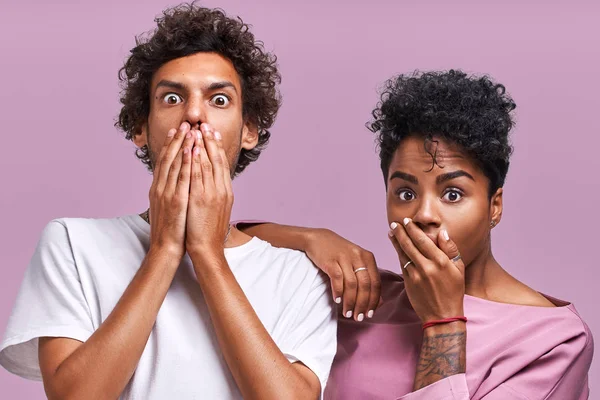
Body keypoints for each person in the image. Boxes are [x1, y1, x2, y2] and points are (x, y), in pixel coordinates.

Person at [0, 3, 337, 399]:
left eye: (220, 100)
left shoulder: (298, 274)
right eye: (173, 98)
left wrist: (207, 254)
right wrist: (164, 249)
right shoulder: (72, 244)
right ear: (140, 128)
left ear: (249, 130)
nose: (194, 114)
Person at [238, 70, 594, 399]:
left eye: (452, 194)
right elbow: (231, 249)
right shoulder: (361, 298)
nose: (423, 214)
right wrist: (312, 238)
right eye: (405, 194)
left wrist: (442, 322)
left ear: (494, 206)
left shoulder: (552, 341)